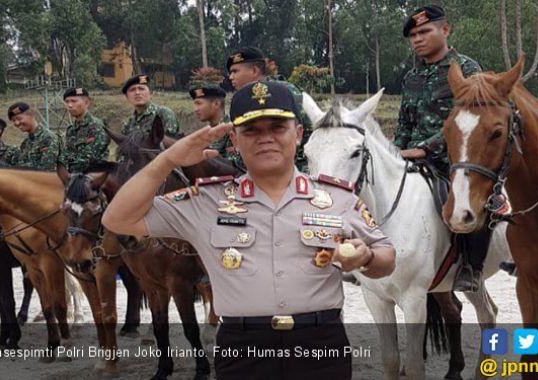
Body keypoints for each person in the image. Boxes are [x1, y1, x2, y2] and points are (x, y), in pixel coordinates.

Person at [102, 81, 396, 379]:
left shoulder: (337, 197)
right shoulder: (206, 200)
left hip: (320, 345)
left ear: (298, 134)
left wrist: (367, 258)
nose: (265, 138)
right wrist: (167, 160)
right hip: (243, 349)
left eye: (277, 127)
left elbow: (387, 256)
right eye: (251, 130)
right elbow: (117, 219)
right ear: (235, 139)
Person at [395, 4, 489, 292]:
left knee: (470, 202)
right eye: (412, 36)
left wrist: (426, 148)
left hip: (456, 158)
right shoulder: (410, 77)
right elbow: (404, 124)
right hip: (411, 157)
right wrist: (393, 153)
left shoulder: (468, 70)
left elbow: (471, 120)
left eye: (424, 31)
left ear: (445, 30)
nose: (417, 39)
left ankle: (471, 267)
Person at [227, 47, 312, 172]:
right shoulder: (239, 100)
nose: (231, 77)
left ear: (254, 70)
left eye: (235, 71)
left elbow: (307, 130)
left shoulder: (286, 92)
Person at [189, 83, 245, 170]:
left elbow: (236, 167)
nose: (196, 109)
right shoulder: (207, 132)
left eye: (199, 103)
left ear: (216, 104)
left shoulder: (231, 129)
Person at [61, 87, 110, 172]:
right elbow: (67, 155)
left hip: (93, 178)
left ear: (86, 103)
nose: (69, 105)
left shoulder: (96, 126)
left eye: (74, 101)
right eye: (67, 102)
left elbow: (91, 159)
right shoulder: (71, 130)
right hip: (74, 178)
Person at [121, 74, 182, 139]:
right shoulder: (128, 123)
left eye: (141, 89)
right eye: (132, 90)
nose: (137, 93)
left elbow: (172, 143)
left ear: (150, 93)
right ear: (127, 97)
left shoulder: (163, 114)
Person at [7, 102, 61, 170]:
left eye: (19, 119)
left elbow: (47, 169)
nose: (16, 123)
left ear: (31, 115)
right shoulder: (25, 143)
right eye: (13, 121)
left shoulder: (48, 138)